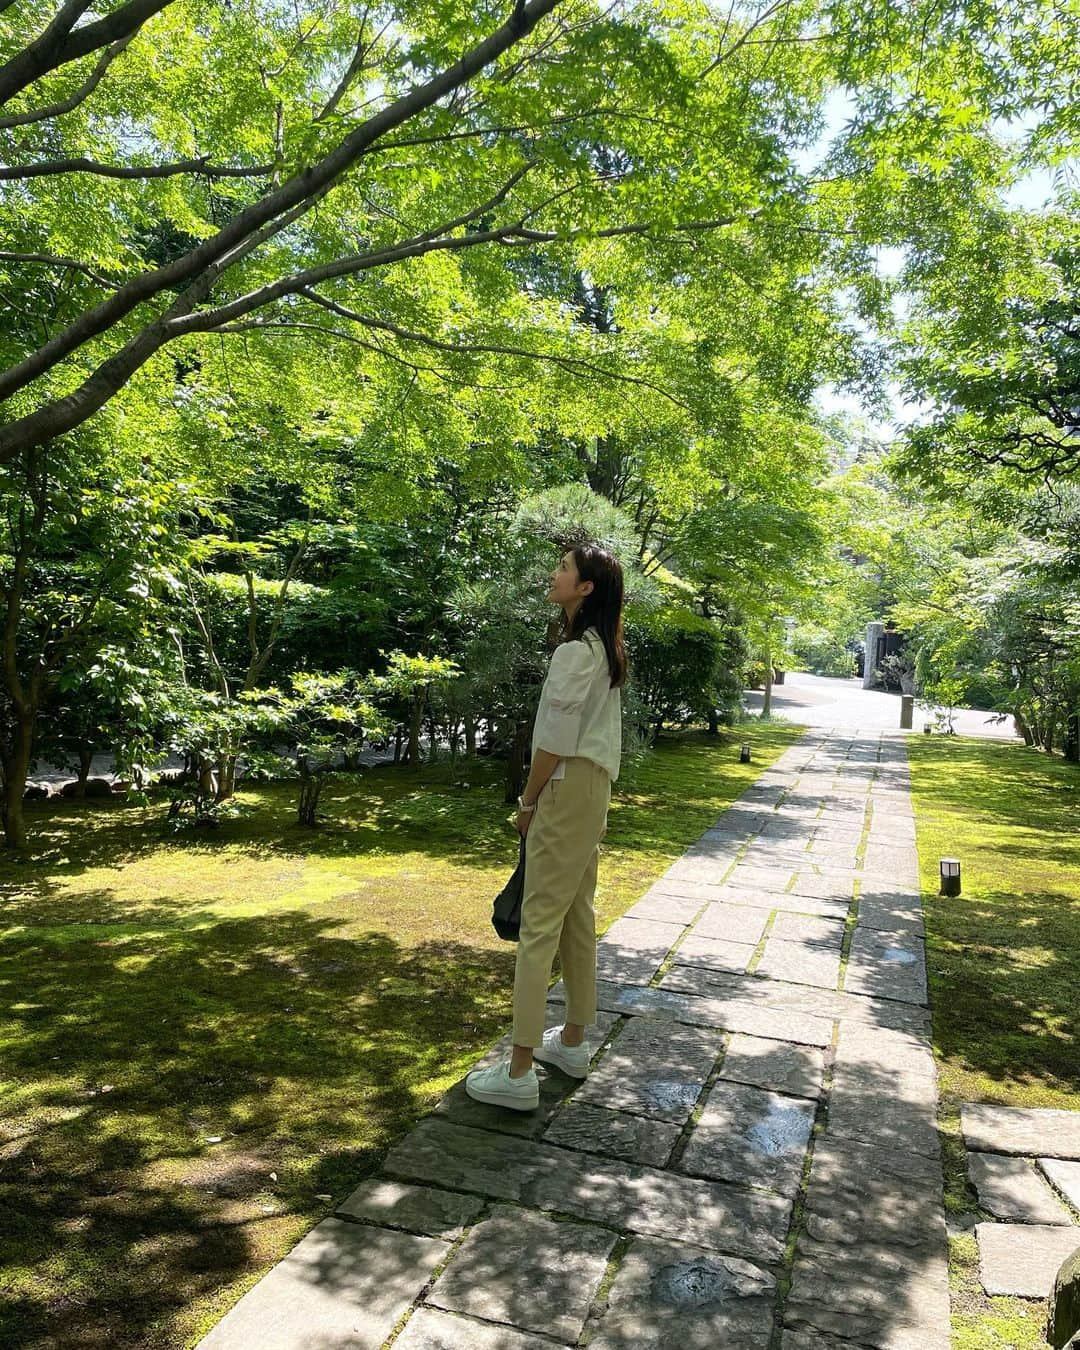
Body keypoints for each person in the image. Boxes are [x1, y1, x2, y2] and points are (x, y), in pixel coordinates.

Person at [465, 543, 626, 1111]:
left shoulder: (575, 653)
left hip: (564, 788)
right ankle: (574, 1042)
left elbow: (553, 742)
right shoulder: (602, 648)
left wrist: (528, 802)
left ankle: (517, 1072)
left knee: (538, 924)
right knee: (576, 915)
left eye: (564, 569)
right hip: (593, 788)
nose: (555, 575)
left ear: (586, 588)